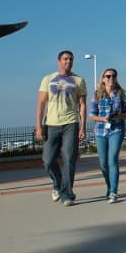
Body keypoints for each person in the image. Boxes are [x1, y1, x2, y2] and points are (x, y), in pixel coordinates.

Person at [35, 50, 87, 207]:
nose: (68, 61)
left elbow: (82, 105)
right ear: (59, 61)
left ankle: (67, 194)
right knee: (48, 160)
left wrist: (82, 126)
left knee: (69, 160)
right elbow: (41, 104)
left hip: (71, 123)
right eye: (65, 59)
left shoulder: (79, 80)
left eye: (71, 59)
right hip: (51, 124)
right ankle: (57, 184)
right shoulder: (48, 79)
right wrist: (38, 126)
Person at [90, 68, 126, 203]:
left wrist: (117, 116)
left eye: (113, 76)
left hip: (117, 129)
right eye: (108, 76)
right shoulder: (96, 94)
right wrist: (103, 119)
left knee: (112, 159)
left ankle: (114, 191)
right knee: (103, 163)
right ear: (103, 79)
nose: (111, 78)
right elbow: (92, 115)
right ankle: (109, 187)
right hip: (101, 131)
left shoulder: (122, 94)